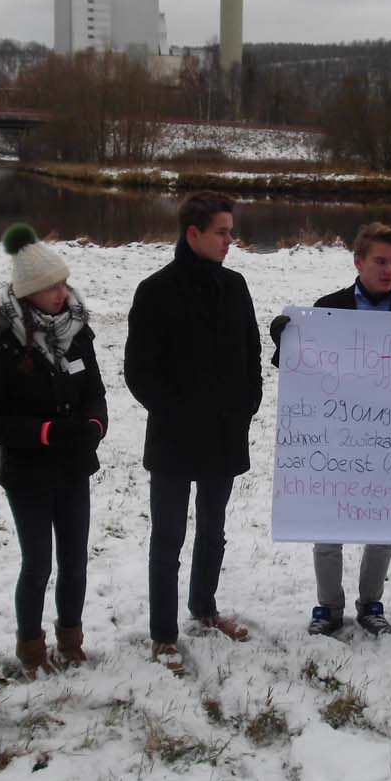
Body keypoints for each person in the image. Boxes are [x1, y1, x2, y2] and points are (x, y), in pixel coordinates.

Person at [268, 222, 391, 637]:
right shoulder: (328, 307)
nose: (389, 270)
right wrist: (283, 340)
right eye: (380, 261)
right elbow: (299, 370)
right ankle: (329, 606)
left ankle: (371, 604)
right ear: (358, 261)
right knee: (327, 521)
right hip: (336, 434)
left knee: (384, 521)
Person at [124, 190, 262, 673]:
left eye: (231, 231)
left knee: (213, 529)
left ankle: (204, 607)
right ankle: (163, 633)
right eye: (222, 232)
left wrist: (248, 403)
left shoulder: (236, 286)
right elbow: (138, 372)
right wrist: (179, 412)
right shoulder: (155, 291)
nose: (230, 240)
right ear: (193, 234)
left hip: (225, 433)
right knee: (167, 537)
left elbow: (251, 353)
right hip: (174, 438)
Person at [0, 224, 107, 679]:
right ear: (29, 292)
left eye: (64, 283)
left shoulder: (77, 331)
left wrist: (93, 425)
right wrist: (44, 432)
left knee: (74, 560)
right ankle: (30, 646)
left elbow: (96, 392)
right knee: (38, 563)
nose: (61, 293)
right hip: (28, 473)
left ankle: (72, 639)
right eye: (52, 286)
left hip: (74, 468)